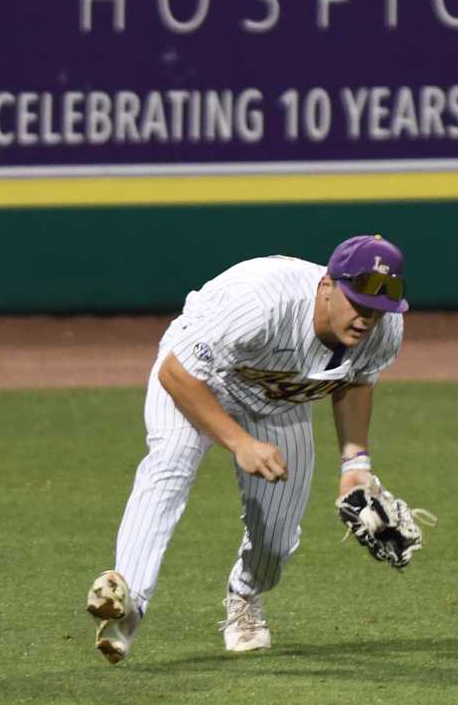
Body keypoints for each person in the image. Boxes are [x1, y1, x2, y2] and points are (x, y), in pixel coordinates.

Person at [85, 233, 410, 662]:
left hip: (278, 403)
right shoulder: (263, 302)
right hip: (201, 378)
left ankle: (245, 595)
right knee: (169, 465)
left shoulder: (384, 330)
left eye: (378, 310)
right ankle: (126, 600)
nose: (368, 319)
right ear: (328, 287)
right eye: (358, 303)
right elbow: (176, 372)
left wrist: (356, 463)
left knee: (275, 538)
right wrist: (239, 442)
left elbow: (356, 379)